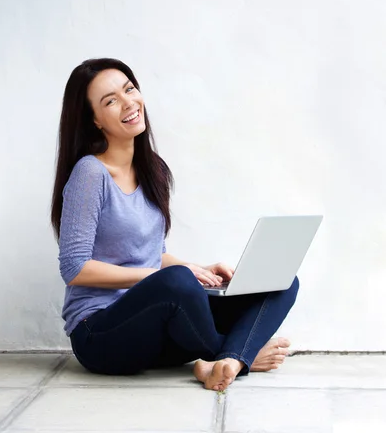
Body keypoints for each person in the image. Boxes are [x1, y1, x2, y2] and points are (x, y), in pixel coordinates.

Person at [51, 58, 299, 392]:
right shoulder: (90, 173)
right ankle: (240, 355)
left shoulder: (153, 169)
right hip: (101, 335)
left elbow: (152, 254)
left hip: (154, 332)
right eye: (110, 101)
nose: (128, 102)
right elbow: (74, 268)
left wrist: (198, 269)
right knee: (178, 282)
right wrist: (166, 277)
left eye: (129, 89)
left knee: (280, 280)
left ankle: (226, 358)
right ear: (94, 119)